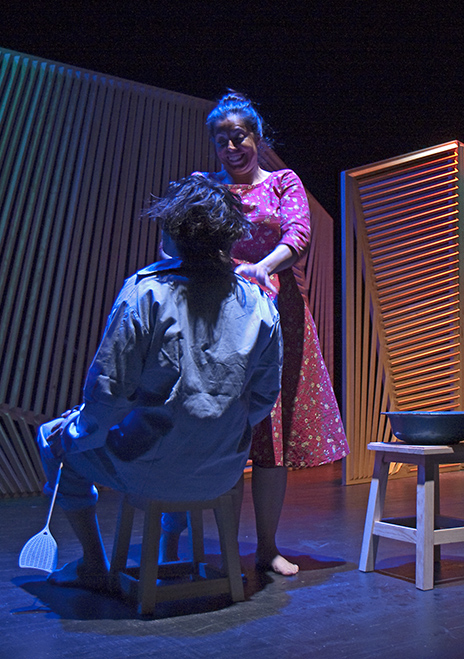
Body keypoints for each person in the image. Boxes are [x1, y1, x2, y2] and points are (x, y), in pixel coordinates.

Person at [35, 174, 283, 592]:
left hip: (151, 471)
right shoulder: (258, 301)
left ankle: (93, 563)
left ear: (172, 234)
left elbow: (109, 393)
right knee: (181, 426)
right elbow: (263, 398)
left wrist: (75, 431)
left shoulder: (146, 292)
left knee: (53, 440)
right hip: (223, 471)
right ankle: (168, 547)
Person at [162, 92, 349, 576]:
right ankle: (205, 541)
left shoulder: (284, 182)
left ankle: (266, 548)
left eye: (239, 136)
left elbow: (298, 236)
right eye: (221, 140)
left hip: (275, 316)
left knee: (271, 434)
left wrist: (262, 267)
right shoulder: (205, 186)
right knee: (215, 429)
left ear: (258, 137)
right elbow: (175, 242)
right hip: (217, 319)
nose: (231, 147)